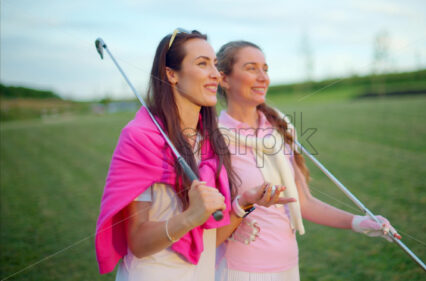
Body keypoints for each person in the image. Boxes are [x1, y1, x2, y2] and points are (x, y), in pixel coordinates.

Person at [94, 30, 291, 281]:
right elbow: (138, 243)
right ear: (171, 74)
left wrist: (243, 204)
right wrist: (189, 217)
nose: (215, 74)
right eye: (202, 64)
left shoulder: (210, 141)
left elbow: (209, 237)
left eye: (215, 65)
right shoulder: (139, 138)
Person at [215, 41, 400, 281]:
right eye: (251, 68)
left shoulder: (280, 129)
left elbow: (304, 202)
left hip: (289, 266)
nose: (263, 77)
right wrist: (232, 221)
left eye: (266, 69)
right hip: (240, 270)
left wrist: (360, 222)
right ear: (224, 79)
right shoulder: (212, 138)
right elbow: (208, 218)